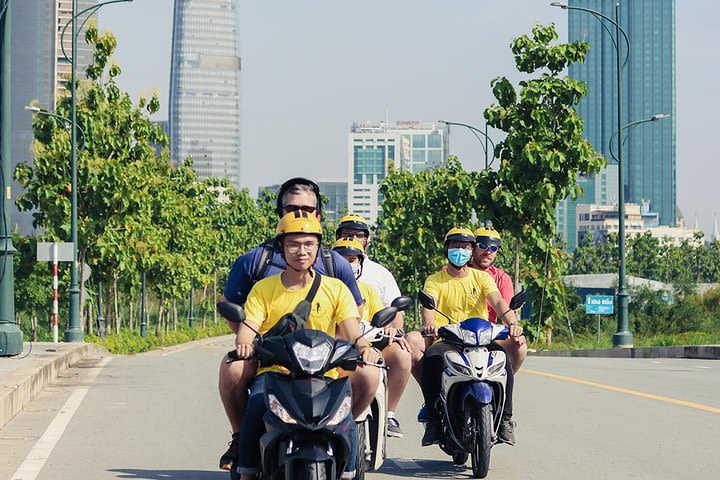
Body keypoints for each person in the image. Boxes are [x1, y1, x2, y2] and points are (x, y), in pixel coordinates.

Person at [218, 178, 373, 471]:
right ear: (282, 245)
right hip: (275, 368)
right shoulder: (263, 284)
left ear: (318, 245)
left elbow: (352, 326)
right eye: (293, 245)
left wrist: (362, 346)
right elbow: (249, 324)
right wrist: (245, 343)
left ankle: (350, 469)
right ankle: (246, 465)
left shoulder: (335, 282)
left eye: (308, 245)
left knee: (346, 418)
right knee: (256, 406)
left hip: (324, 367)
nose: (301, 251)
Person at [406, 227, 523, 446]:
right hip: (448, 340)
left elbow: (498, 302)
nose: (460, 250)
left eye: (466, 246)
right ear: (447, 249)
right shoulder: (435, 280)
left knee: (504, 360)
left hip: (481, 340)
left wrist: (513, 323)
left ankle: (506, 419)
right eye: (455, 246)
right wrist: (430, 324)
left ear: (472, 252)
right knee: (432, 358)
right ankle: (432, 416)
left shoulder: (482, 278)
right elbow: (428, 307)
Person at [332, 237, 412, 438]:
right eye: (342, 259)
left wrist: (392, 330)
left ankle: (388, 414)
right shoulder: (324, 288)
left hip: (367, 343)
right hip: (331, 347)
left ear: (360, 263)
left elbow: (384, 317)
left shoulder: (368, 289)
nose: (348, 264)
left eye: (353, 259)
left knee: (399, 353)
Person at [471, 227, 527, 373]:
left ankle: (503, 385)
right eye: (482, 246)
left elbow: (503, 307)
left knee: (520, 346)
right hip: (457, 333)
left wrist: (514, 327)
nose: (488, 251)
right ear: (472, 248)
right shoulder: (456, 272)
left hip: (488, 335)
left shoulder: (502, 278)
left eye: (493, 248)